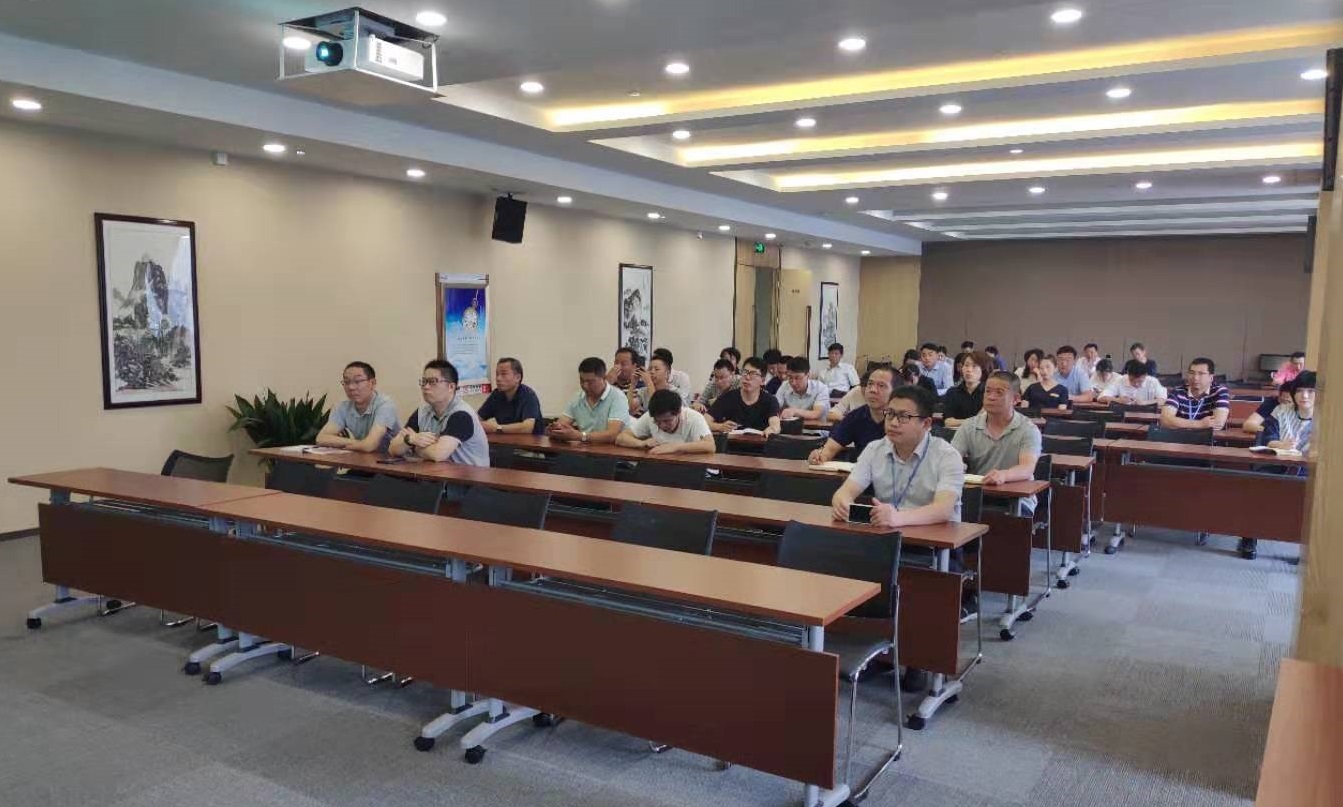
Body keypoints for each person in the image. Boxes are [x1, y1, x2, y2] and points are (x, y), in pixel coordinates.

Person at [830, 383, 964, 528]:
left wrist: (898, 518)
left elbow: (943, 510)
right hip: (886, 533)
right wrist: (842, 504)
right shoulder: (874, 449)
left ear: (926, 423)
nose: (893, 423)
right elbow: (845, 492)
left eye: (904, 416)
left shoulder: (947, 456)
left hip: (934, 538)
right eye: (890, 414)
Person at [1239, 372, 1315, 560]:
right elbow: (1267, 437)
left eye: (1311, 391)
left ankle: (1308, 547)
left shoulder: (1328, 418)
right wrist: (1281, 445)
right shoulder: (1281, 411)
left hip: (1309, 471)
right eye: (1300, 391)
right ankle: (1249, 537)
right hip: (1277, 465)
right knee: (1256, 488)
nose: (1304, 396)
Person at [951, 371, 1044, 514]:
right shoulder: (969, 426)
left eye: (999, 393)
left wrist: (1004, 475)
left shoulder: (1028, 429)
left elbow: (1027, 468)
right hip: (977, 496)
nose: (991, 397)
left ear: (1015, 399)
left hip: (1016, 500)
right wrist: (956, 465)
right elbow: (952, 457)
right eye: (987, 391)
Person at [388, 359, 490, 466]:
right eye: (424, 382)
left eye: (433, 382)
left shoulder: (462, 415)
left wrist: (414, 447)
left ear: (451, 387)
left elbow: (438, 455)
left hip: (469, 475)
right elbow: (392, 449)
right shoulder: (422, 412)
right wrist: (410, 439)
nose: (426, 387)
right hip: (438, 473)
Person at [809, 365, 897, 465]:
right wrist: (820, 455)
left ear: (896, 391)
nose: (872, 389)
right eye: (870, 384)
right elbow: (830, 448)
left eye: (881, 386)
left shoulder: (903, 420)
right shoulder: (856, 416)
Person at [316, 361, 400, 453]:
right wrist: (360, 444)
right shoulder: (343, 407)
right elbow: (321, 438)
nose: (351, 387)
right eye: (347, 382)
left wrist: (360, 444)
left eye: (358, 381)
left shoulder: (385, 405)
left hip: (392, 459)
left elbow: (370, 445)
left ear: (372, 383)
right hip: (364, 457)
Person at [548, 357, 630, 445]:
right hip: (586, 448)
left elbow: (612, 435)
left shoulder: (617, 397)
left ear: (603, 378)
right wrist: (556, 429)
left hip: (614, 450)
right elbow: (562, 423)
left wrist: (580, 436)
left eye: (590, 382)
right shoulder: (577, 397)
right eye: (582, 381)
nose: (585, 385)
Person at [615, 389, 715, 455]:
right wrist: (642, 443)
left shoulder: (693, 417)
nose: (662, 426)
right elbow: (621, 438)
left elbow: (710, 446)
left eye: (667, 421)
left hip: (689, 467)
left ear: (678, 412)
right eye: (657, 422)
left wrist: (675, 447)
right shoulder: (650, 416)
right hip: (659, 465)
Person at [709, 356, 782, 435]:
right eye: (745, 372)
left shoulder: (770, 400)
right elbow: (705, 421)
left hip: (760, 442)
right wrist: (720, 426)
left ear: (763, 380)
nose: (747, 377)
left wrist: (772, 429)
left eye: (753, 374)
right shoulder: (728, 397)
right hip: (732, 442)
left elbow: (775, 425)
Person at [477, 357, 544, 435]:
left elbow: (527, 427)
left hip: (531, 441)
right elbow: (477, 418)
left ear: (517, 377)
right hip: (506, 440)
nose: (498, 378)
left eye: (503, 374)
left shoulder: (528, 395)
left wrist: (497, 428)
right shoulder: (496, 394)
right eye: (497, 374)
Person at [1160, 357, 1230, 430]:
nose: (1195, 378)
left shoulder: (1220, 392)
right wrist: (1201, 424)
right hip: (1180, 436)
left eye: (1201, 374)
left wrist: (1180, 423)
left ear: (1211, 377)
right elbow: (1165, 421)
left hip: (1207, 437)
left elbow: (1218, 424)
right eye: (1192, 373)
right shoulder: (1177, 392)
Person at [633, 348, 690, 414]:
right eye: (650, 369)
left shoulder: (674, 393)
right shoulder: (644, 391)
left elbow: (661, 412)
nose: (652, 372)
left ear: (667, 373)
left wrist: (649, 383)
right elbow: (630, 409)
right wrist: (633, 384)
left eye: (656, 369)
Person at [943, 351, 992, 427]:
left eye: (974, 366)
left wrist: (959, 422)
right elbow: (948, 422)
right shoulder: (952, 392)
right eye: (966, 365)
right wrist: (973, 421)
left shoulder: (989, 393)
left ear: (983, 369)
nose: (969, 370)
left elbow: (985, 421)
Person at [1098, 359, 1167, 405]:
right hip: (1123, 417)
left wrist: (1145, 402)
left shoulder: (1153, 381)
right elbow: (1101, 397)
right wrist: (1118, 400)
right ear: (1128, 374)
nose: (1136, 384)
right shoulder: (1120, 380)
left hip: (1148, 418)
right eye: (1132, 380)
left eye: (1140, 381)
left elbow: (1163, 400)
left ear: (1145, 375)